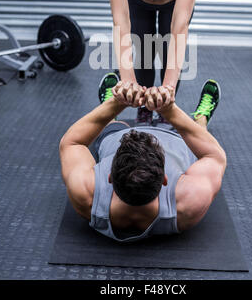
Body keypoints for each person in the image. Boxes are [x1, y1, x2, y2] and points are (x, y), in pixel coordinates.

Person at [59, 74, 226, 243]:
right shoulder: (188, 202)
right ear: (164, 180)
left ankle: (108, 108)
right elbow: (214, 155)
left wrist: (116, 103)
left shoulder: (86, 194)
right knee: (197, 130)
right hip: (179, 142)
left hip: (118, 136)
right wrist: (169, 111)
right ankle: (201, 118)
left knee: (112, 127)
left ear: (109, 177)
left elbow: (71, 143)